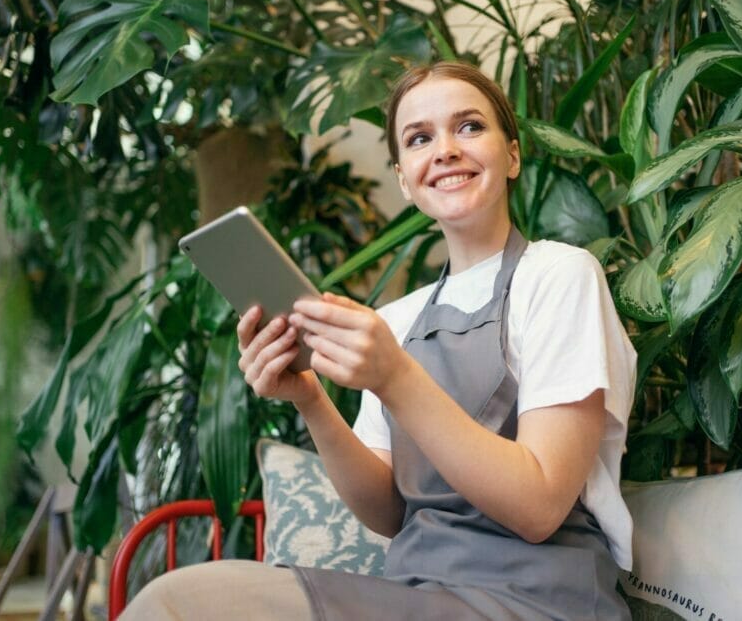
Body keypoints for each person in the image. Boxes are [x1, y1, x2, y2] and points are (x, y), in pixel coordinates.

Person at [123, 61, 637, 620]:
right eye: (420, 138)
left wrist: (395, 377)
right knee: (176, 600)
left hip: (538, 600)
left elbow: (539, 507)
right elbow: (390, 512)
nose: (444, 150)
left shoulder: (560, 275)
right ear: (403, 178)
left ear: (512, 155)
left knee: (178, 604)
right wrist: (310, 397)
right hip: (419, 594)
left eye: (469, 127)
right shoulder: (396, 320)